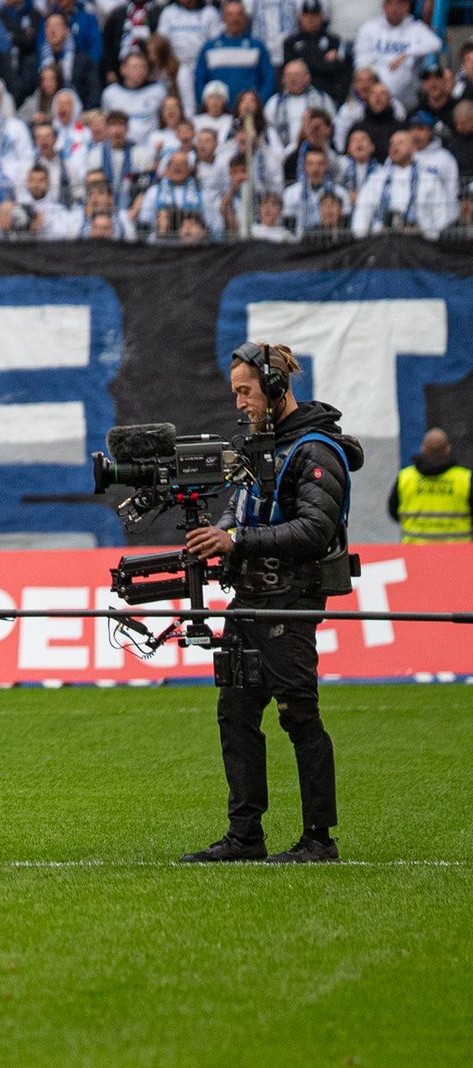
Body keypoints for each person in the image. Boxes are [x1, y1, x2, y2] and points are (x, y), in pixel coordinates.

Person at [180, 342, 363, 865]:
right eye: (235, 392)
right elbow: (239, 513)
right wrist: (213, 535)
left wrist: (236, 542)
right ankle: (244, 838)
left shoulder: (315, 451)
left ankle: (318, 841)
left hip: (290, 605)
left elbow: (313, 529)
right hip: (249, 601)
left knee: (298, 717)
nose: (239, 402)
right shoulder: (257, 448)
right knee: (234, 716)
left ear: (276, 387)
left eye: (246, 391)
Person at [388, 427, 472, 543]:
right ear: (448, 449)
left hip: (414, 552)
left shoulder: (405, 477)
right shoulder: (465, 478)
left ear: (423, 448)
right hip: (456, 554)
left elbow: (393, 511)